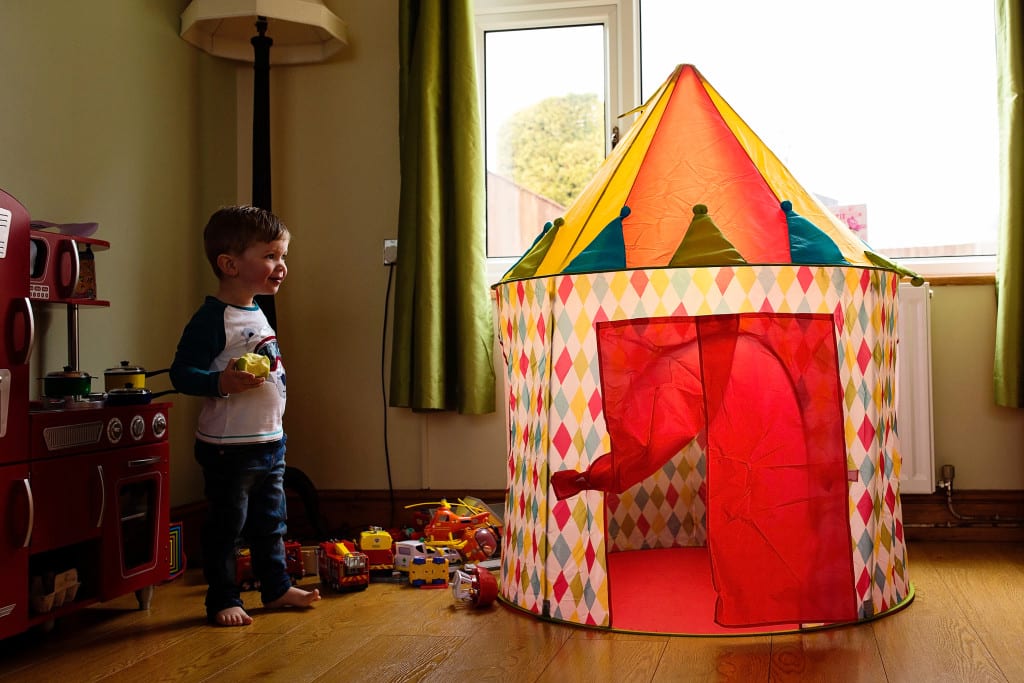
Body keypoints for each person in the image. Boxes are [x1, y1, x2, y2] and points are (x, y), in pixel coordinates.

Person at [170, 205, 320, 626]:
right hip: (228, 450)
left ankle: (275, 588)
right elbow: (183, 374)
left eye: (283, 256)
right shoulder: (211, 320)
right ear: (230, 264)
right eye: (271, 256)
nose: (281, 266)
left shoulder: (256, 311)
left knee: (271, 522)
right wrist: (222, 382)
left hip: (269, 440)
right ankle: (222, 598)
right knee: (227, 527)